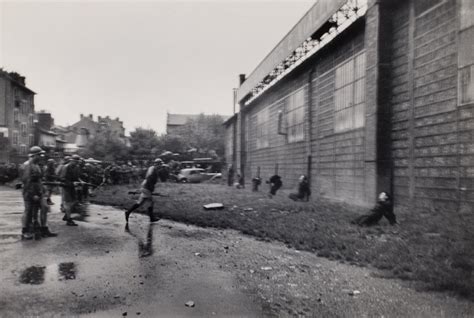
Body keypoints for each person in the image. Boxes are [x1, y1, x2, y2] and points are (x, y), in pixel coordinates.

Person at [21, 146, 56, 239]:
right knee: (28, 211)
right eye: (40, 155)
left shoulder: (36, 165)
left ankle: (44, 229)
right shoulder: (27, 165)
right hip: (30, 192)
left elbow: (39, 180)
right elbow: (27, 182)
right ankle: (25, 231)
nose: (42, 156)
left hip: (39, 192)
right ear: (34, 155)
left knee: (44, 208)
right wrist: (33, 194)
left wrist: (43, 190)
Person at [124, 158, 163, 223]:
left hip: (145, 187)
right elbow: (149, 178)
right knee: (150, 202)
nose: (161, 166)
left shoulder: (152, 168)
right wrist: (150, 189)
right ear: (157, 164)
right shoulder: (153, 169)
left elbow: (148, 178)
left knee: (140, 203)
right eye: (160, 164)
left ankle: (128, 212)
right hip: (147, 188)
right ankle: (151, 218)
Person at [60, 154, 81, 226]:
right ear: (71, 160)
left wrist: (81, 181)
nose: (76, 163)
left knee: (75, 201)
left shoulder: (76, 167)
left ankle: (66, 215)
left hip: (72, 187)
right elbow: (63, 179)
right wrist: (72, 183)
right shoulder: (66, 167)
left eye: (77, 162)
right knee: (68, 203)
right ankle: (69, 220)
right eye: (75, 161)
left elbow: (77, 177)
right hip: (66, 186)